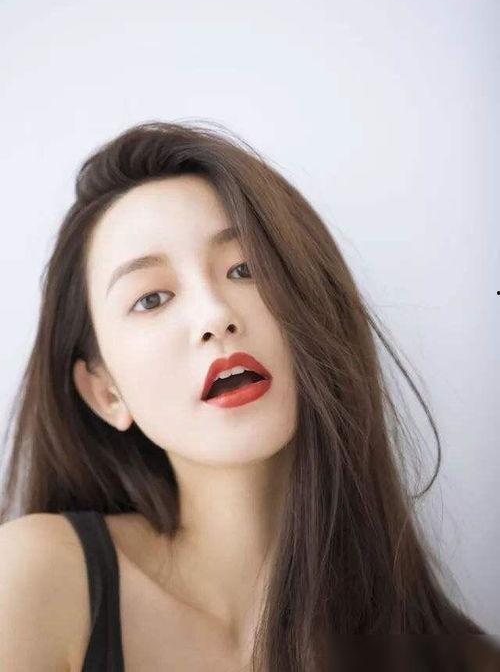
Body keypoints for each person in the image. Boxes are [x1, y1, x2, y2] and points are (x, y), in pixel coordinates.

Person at [0, 121, 498, 672]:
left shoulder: (458, 658)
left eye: (246, 268)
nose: (215, 315)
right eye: (152, 299)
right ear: (105, 393)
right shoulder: (36, 580)